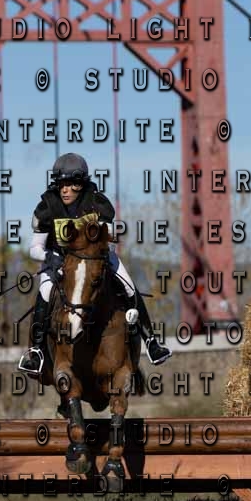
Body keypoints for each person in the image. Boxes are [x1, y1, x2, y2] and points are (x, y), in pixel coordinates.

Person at [18, 152, 172, 375]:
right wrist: (49, 258)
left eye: (70, 185)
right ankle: (36, 352)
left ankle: (151, 342)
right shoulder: (47, 207)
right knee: (45, 293)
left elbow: (110, 240)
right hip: (59, 261)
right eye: (61, 185)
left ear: (81, 184)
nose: (65, 190)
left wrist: (96, 255)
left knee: (129, 286)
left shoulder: (97, 203)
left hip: (95, 258)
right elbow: (34, 248)